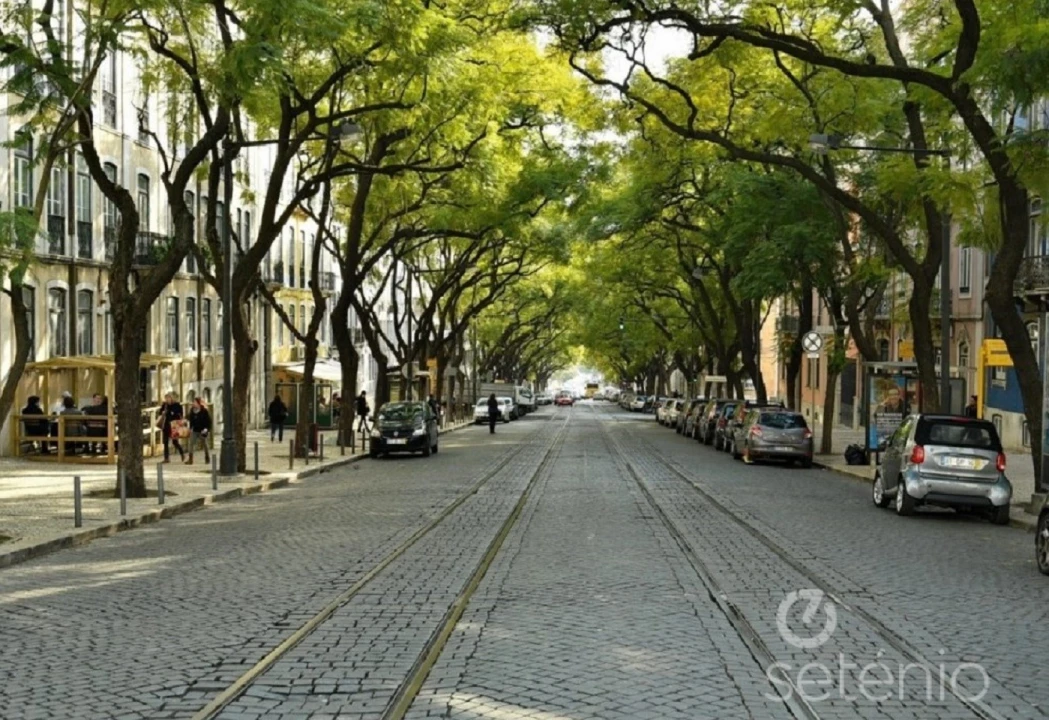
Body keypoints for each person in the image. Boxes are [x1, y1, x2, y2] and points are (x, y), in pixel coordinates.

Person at [158, 392, 185, 463]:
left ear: (171, 398)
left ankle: (182, 453)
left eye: (168, 398)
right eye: (166, 398)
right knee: (165, 442)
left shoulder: (177, 405)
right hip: (166, 425)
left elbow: (180, 414)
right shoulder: (165, 405)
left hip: (173, 425)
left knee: (174, 442)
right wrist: (162, 412)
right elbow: (160, 412)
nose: (167, 399)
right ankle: (166, 458)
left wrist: (172, 413)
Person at [185, 397, 212, 465]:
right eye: (193, 402)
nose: (193, 403)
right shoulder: (192, 410)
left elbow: (209, 421)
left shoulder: (204, 411)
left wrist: (206, 429)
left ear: (199, 403)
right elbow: (190, 418)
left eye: (195, 402)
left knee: (205, 444)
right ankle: (190, 459)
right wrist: (190, 427)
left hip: (203, 430)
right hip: (195, 430)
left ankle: (207, 457)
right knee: (191, 443)